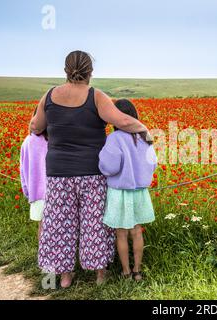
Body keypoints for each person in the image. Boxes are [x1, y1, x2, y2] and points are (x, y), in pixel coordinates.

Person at [30, 50, 150, 288]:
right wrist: (145, 132)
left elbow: (36, 126)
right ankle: (100, 274)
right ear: (90, 72)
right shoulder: (96, 96)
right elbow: (123, 121)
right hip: (91, 173)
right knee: (94, 224)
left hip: (58, 173)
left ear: (66, 70)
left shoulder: (49, 95)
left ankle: (63, 277)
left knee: (59, 224)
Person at [99, 99, 157, 282]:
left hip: (119, 192)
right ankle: (137, 271)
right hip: (139, 191)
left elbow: (109, 166)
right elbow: (152, 163)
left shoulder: (114, 139)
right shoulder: (146, 138)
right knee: (137, 231)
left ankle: (125, 271)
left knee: (121, 233)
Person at [20, 110, 48, 238]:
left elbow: (23, 169)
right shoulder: (54, 141)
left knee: (42, 226)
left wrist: (27, 190)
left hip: (36, 192)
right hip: (57, 191)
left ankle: (43, 254)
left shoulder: (28, 141)